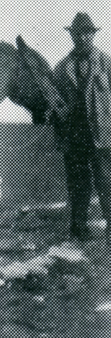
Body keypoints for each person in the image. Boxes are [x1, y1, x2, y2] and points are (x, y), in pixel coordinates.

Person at [53, 13, 111, 242]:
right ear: (72, 36)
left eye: (88, 33)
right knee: (77, 183)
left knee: (106, 181)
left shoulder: (106, 63)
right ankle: (78, 228)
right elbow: (54, 103)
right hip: (73, 135)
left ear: (93, 35)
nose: (83, 37)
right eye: (78, 33)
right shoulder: (61, 68)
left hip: (102, 135)